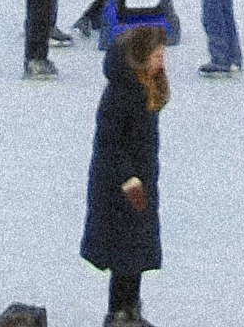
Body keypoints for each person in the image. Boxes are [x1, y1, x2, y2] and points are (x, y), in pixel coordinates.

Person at [80, 24, 165, 323]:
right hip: (120, 187)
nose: (161, 61)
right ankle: (120, 310)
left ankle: (130, 306)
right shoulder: (121, 93)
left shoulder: (142, 86)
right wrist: (128, 177)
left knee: (136, 249)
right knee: (124, 250)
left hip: (138, 182)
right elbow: (109, 142)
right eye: (155, 55)